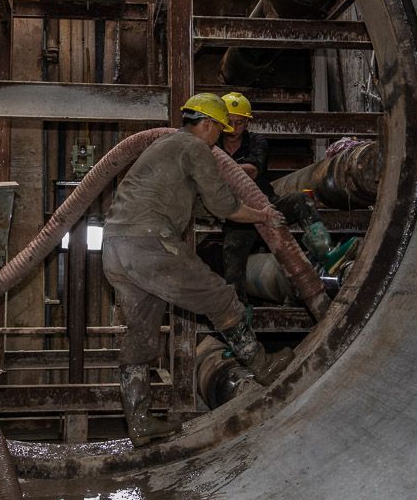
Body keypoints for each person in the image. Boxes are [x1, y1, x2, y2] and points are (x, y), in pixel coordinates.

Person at [102, 93, 295, 447]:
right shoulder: (194, 148)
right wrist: (264, 215)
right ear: (206, 125)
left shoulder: (164, 146)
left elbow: (191, 202)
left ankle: (139, 422)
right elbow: (226, 206)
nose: (219, 138)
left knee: (140, 334)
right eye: (218, 130)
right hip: (150, 244)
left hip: (115, 247)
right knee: (221, 298)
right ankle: (263, 366)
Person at [217, 91, 334, 304]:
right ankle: (240, 316)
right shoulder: (213, 146)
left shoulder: (256, 141)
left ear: (247, 122)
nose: (234, 128)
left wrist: (220, 170)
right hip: (241, 215)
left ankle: (325, 250)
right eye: (229, 122)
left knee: (299, 199)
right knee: (233, 254)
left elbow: (253, 170)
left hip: (268, 205)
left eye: (240, 122)